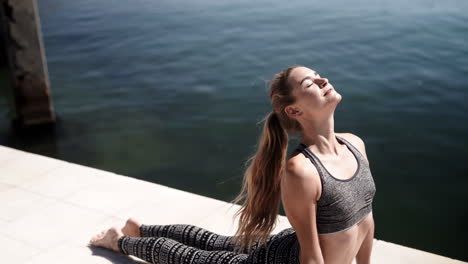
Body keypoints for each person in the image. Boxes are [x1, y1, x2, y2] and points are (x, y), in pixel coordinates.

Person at [89, 65, 377, 264]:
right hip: (282, 260)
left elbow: (366, 221)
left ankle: (141, 228)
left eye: (318, 76)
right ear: (294, 110)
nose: (322, 81)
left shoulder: (355, 144)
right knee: (195, 258)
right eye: (309, 83)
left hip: (289, 247)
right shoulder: (301, 170)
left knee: (218, 243)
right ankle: (120, 241)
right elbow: (311, 260)